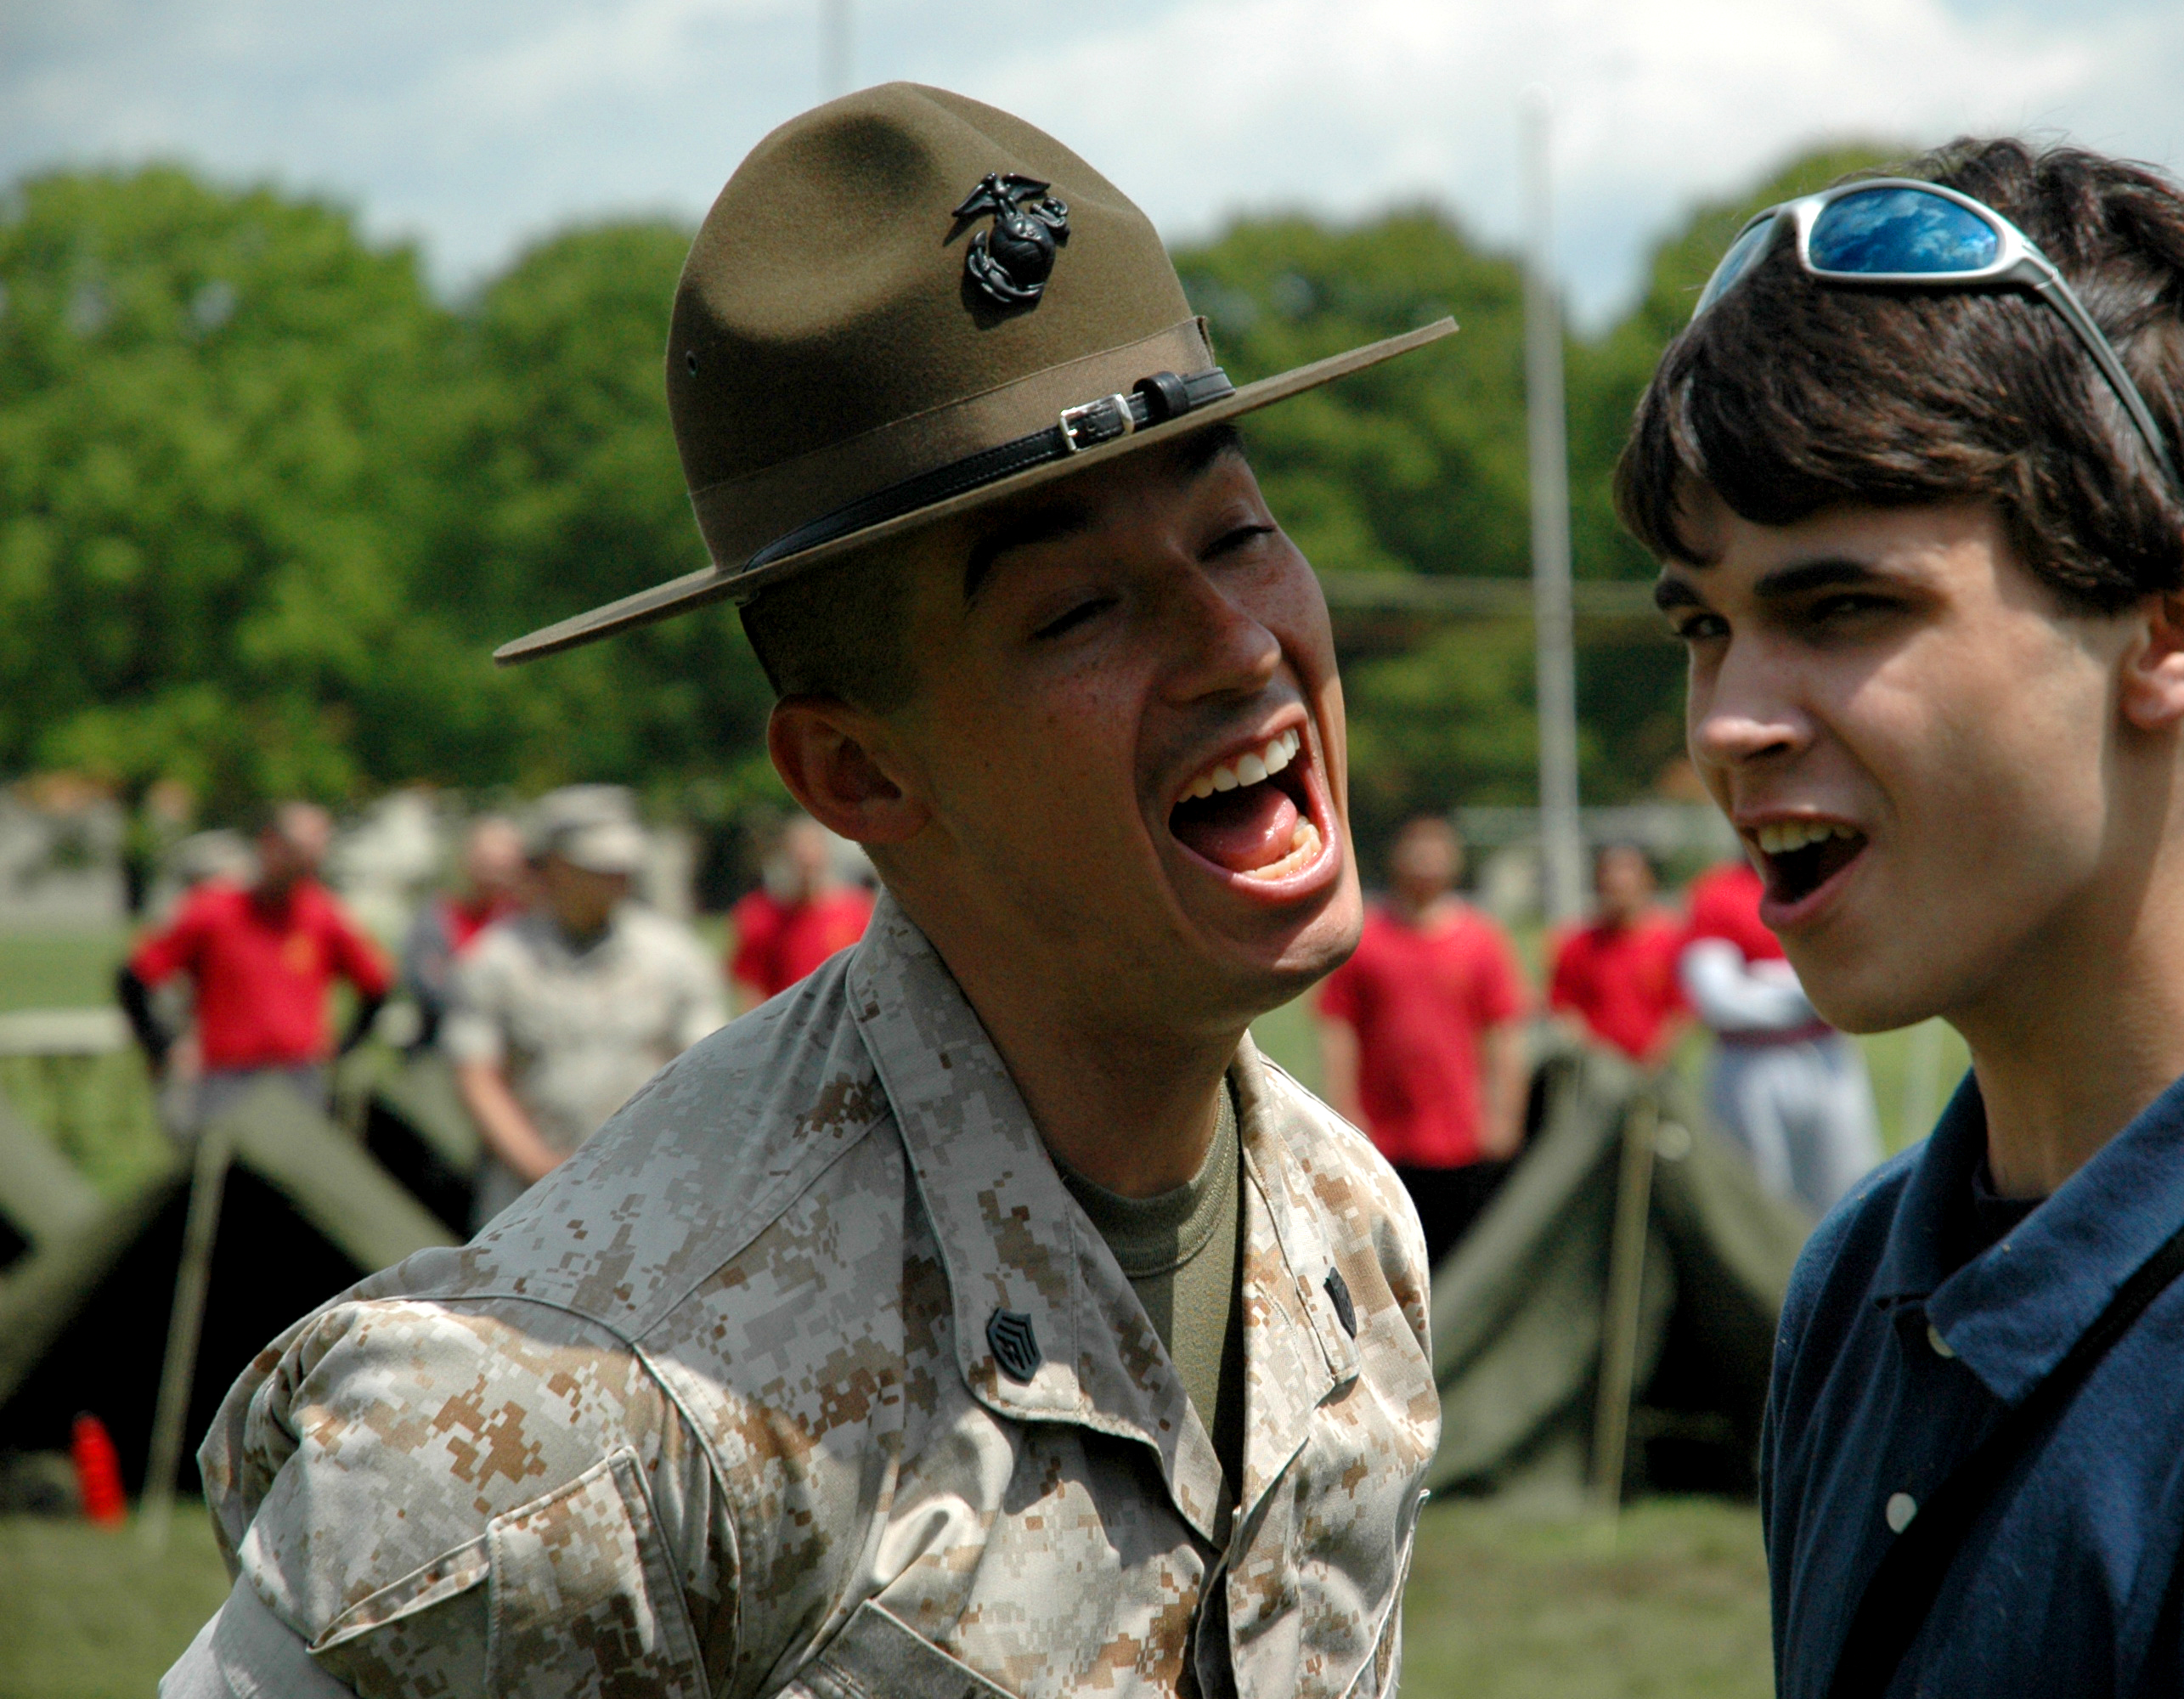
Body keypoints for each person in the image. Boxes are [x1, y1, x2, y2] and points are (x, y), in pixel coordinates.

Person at [170, 85, 1447, 1699]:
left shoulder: (1343, 1237)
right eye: (1076, 612)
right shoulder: (581, 1427)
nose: (1237, 641)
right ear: (856, 776)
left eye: (1240, 529)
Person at [1617, 139, 2184, 1695]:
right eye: (1704, 627)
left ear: (2175, 628)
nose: (1728, 721)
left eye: (1840, 608)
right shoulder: (1859, 1284)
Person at [443, 786, 726, 1228]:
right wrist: (544, 1169)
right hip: (525, 1201)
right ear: (552, 865)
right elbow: (476, 1075)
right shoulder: (497, 961)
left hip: (650, 1191)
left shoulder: (673, 956)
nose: (617, 874)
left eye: (621, 863)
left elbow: (710, 1069)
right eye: (596, 864)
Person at [1317, 815, 1528, 1258]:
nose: (1426, 860)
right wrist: (1344, 1110)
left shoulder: (1481, 941)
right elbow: (1339, 1029)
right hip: (1383, 1137)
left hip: (1462, 1137)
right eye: (1416, 847)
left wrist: (1505, 1113)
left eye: (1437, 849)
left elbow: (1504, 1034)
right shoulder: (1364, 939)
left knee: (1460, 1255)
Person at [116, 800, 389, 1133]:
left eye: (315, 853)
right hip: (228, 1077)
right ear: (269, 843)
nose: (305, 863)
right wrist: (161, 1046)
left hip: (299, 1076)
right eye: (296, 849)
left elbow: (377, 983)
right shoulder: (213, 910)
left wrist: (344, 1049)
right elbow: (135, 976)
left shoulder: (322, 914)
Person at [1681, 855, 1880, 1216]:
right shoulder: (1719, 892)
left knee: (1850, 1193)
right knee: (1756, 1200)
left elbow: (1868, 977)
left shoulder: (1836, 878)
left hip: (1827, 1055)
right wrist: (1811, 990)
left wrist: (1763, 980)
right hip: (1750, 1063)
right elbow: (1719, 1001)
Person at [1547, 841, 1688, 1068]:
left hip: (1656, 1067)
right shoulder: (1578, 945)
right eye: (1610, 885)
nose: (1617, 888)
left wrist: (1657, 1054)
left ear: (1646, 883)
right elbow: (1563, 1006)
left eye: (1626, 883)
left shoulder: (1670, 942)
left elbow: (1681, 1010)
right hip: (1597, 1069)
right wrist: (1592, 1053)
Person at [393, 813, 524, 1050]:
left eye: (503, 868)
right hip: (440, 1047)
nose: (493, 877)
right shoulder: (435, 918)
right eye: (486, 864)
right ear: (467, 861)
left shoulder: (529, 921)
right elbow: (426, 985)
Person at [727, 814, 875, 1008]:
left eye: (813, 846)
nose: (806, 856)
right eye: (798, 848)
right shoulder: (760, 915)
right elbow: (750, 984)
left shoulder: (856, 909)